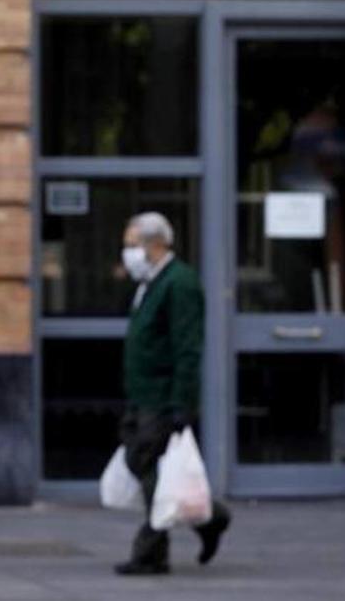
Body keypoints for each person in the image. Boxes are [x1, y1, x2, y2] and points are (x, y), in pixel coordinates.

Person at [114, 212, 231, 576]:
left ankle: (150, 553)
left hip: (162, 396)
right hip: (143, 392)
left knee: (148, 464)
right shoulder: (151, 282)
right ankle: (210, 518)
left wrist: (182, 401)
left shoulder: (179, 283)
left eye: (133, 245)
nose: (128, 253)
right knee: (141, 463)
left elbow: (187, 347)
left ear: (156, 243)